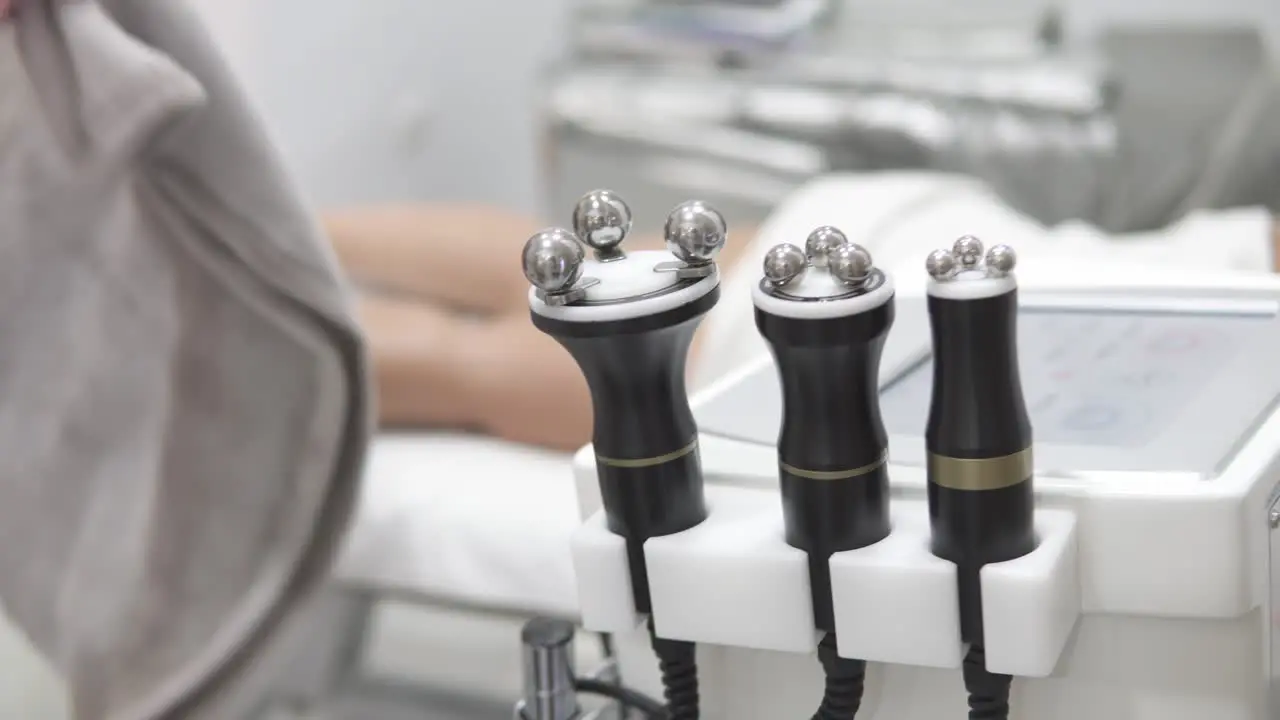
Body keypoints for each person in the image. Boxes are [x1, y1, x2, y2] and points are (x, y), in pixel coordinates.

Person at [325, 178, 1280, 453]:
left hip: (914, 223)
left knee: (568, 258)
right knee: (470, 370)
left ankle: (246, 216)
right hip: (833, 343)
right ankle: (214, 325)